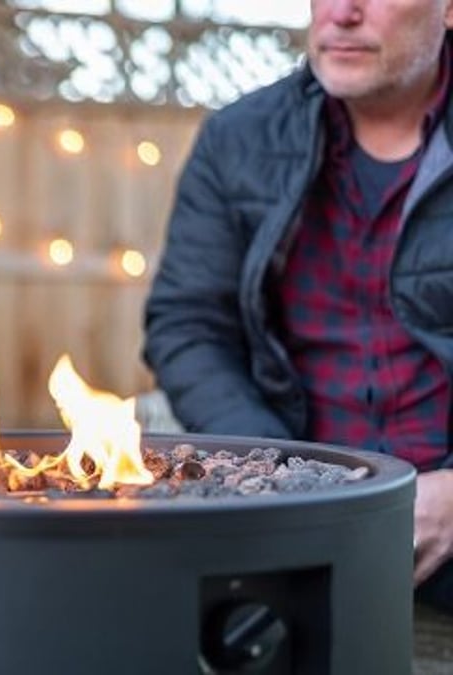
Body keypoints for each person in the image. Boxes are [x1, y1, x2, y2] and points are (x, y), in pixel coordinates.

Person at [143, 0, 453, 608]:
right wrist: (272, 472)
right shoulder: (240, 139)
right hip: (288, 519)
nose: (342, 12)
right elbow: (187, 325)